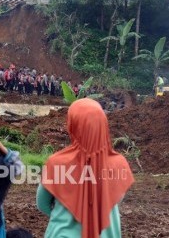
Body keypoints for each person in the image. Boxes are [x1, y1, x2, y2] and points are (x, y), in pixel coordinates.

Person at [36, 99, 134, 238]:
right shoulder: (119, 164)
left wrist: (65, 215)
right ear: (103, 125)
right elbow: (117, 198)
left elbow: (42, 203)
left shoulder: (57, 163)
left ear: (73, 125)